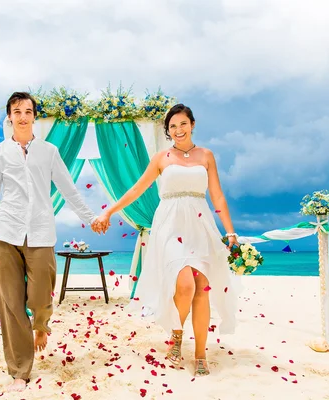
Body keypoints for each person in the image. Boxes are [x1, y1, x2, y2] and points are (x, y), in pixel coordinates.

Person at [0, 91, 106, 392]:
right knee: (11, 303)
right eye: (17, 111)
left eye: (28, 111)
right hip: (5, 232)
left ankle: (41, 325)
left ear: (34, 116)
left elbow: (69, 190)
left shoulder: (49, 151)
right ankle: (19, 369)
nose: (23, 116)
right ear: (9, 117)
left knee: (41, 292)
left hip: (41, 232)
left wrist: (91, 217)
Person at [96, 104, 239, 376]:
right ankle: (176, 335)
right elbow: (138, 188)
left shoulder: (206, 155)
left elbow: (217, 196)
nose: (178, 130)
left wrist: (230, 231)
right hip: (171, 224)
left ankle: (200, 354)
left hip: (199, 222)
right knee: (184, 283)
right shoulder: (162, 157)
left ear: (192, 124)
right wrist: (109, 211)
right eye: (172, 126)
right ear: (168, 130)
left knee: (202, 286)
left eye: (183, 124)